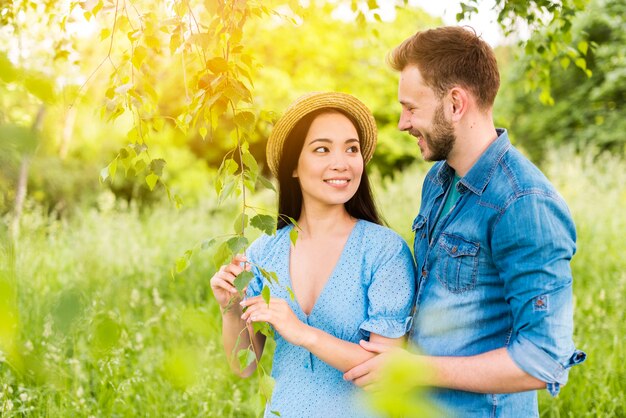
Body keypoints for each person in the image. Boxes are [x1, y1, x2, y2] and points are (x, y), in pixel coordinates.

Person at [343, 26, 586, 417]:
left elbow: (544, 358)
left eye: (411, 108)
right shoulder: (437, 181)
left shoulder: (523, 203)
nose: (403, 124)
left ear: (456, 104)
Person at [210, 92, 416, 418]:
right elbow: (244, 367)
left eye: (351, 149)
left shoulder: (385, 251)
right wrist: (231, 309)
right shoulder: (264, 252)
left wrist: (303, 333)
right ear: (293, 166)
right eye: (322, 149)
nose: (342, 162)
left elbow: (388, 371)